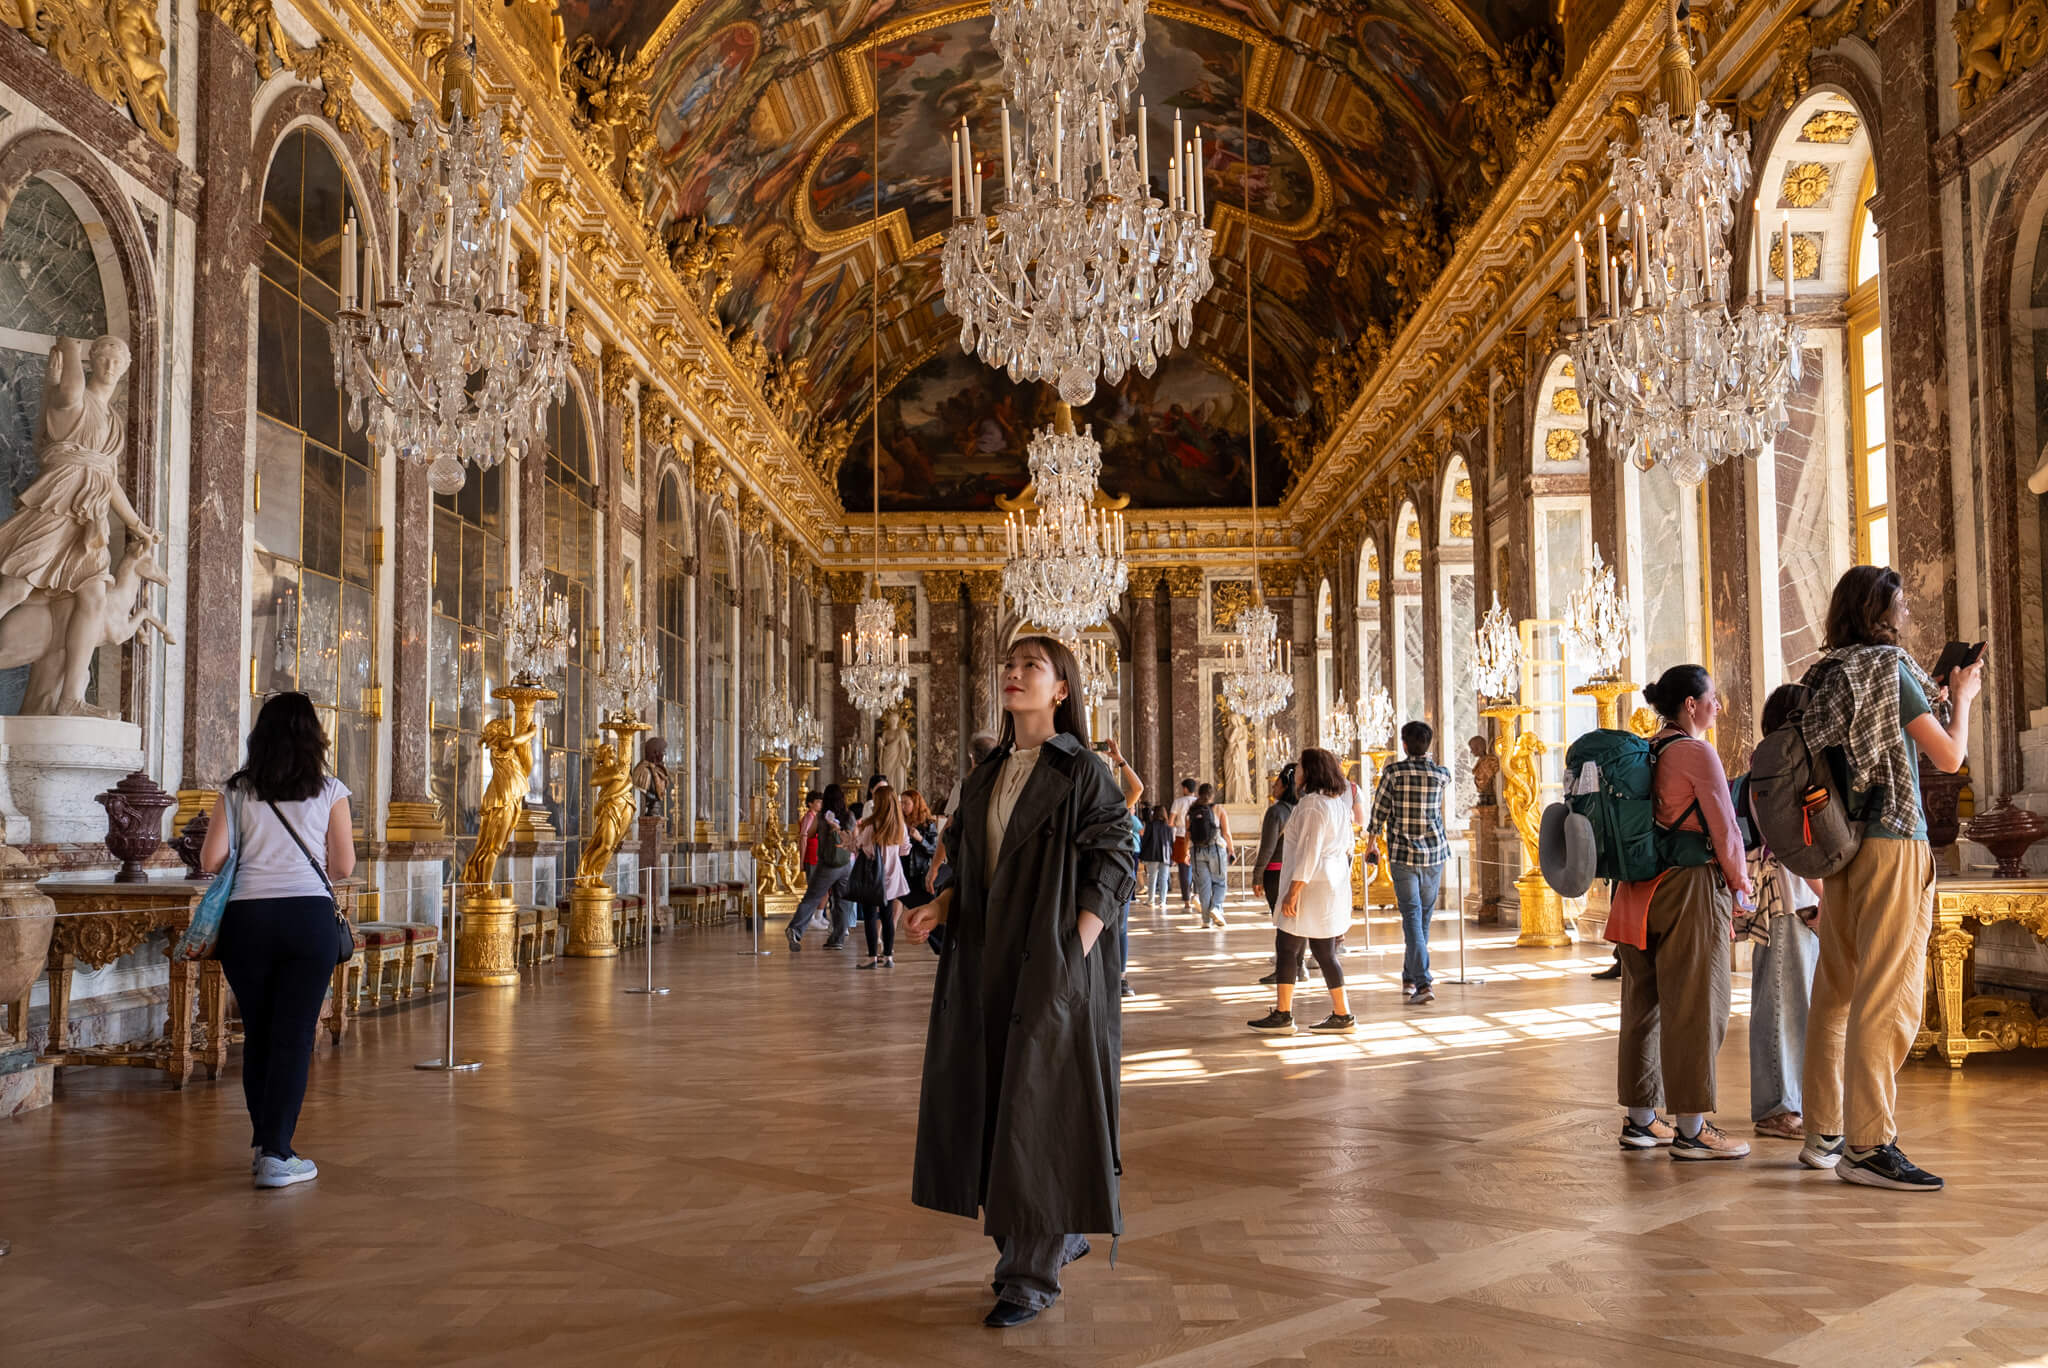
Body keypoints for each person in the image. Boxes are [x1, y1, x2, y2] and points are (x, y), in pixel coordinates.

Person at [902, 635, 1136, 1328]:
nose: (1013, 674)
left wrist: (1076, 947)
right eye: (1008, 664)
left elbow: (1117, 861)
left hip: (1051, 966)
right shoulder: (984, 776)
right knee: (992, 1106)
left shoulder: (1084, 772)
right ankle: (1052, 1237)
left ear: (1061, 688)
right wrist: (937, 906)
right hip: (982, 963)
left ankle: (1028, 1276)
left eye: (1031, 666)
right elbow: (970, 869)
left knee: (1037, 1112)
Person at [1799, 566, 1980, 1190]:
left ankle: (1823, 1130)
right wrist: (1965, 699)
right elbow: (1950, 758)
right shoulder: (1887, 669)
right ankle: (1870, 1144)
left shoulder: (1823, 673)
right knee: (1889, 992)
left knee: (1837, 989)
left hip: (1840, 846)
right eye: (1901, 600)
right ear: (1880, 609)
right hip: (1893, 841)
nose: (1908, 609)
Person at [196, 691, 355, 1190]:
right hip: (308, 919)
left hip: (248, 921)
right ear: (314, 737)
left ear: (260, 736)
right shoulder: (330, 789)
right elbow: (344, 866)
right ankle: (276, 1153)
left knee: (261, 1034)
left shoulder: (237, 790)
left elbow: (210, 860)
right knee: (293, 1035)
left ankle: (267, 1145)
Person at [1608, 665, 1755, 1160]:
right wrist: (1741, 884)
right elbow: (1725, 829)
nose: (1718, 705)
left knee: (1641, 1009)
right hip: (1688, 889)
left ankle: (1641, 1120)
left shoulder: (1642, 752)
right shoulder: (1696, 752)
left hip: (1633, 894)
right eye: (1713, 697)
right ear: (1690, 705)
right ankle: (1693, 1129)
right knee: (1696, 1006)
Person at [1747, 684, 1823, 1143]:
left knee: (1794, 1002)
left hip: (1797, 894)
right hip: (1786, 895)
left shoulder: (1774, 762)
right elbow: (1792, 843)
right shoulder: (1776, 766)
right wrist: (1826, 898)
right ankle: (1776, 1107)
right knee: (1780, 1002)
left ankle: (1790, 1099)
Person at [1247, 748, 1357, 1034]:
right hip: (1329, 884)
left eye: (1300, 768)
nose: (1296, 774)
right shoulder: (1338, 804)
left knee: (1287, 947)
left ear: (1312, 771)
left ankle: (1284, 1014)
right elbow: (1348, 849)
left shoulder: (1311, 805)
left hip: (1309, 887)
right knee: (1324, 951)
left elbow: (1309, 852)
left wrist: (1294, 891)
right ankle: (1342, 1014)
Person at [1366, 721, 1452, 1005]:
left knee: (1413, 918)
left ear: (1404, 744)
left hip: (1403, 855)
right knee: (1421, 920)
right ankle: (1409, 977)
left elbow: (1379, 812)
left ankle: (1424, 983)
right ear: (1429, 744)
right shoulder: (1441, 775)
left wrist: (1371, 845)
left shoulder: (1393, 773)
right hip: (1434, 854)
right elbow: (1444, 775)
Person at [1254, 763, 1307, 986]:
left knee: (1283, 924)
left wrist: (1257, 875)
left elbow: (1267, 847)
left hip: (1276, 871)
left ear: (1285, 786)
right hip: (1299, 871)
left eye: (1276, 784)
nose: (1273, 788)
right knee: (1298, 920)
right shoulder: (1304, 809)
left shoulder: (1276, 811)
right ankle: (1299, 966)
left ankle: (1284, 970)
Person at [784, 784, 854, 952]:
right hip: (846, 864)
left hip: (827, 865)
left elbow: (809, 832)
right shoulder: (849, 815)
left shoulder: (823, 817)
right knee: (842, 902)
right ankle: (837, 938)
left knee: (812, 898)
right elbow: (853, 838)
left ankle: (795, 929)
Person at [853, 779, 911, 969]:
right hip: (893, 875)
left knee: (870, 916)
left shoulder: (872, 825)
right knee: (888, 917)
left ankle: (872, 957)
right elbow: (905, 850)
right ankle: (888, 956)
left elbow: (863, 848)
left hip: (873, 875)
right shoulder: (900, 825)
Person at [1186, 782, 1233, 928]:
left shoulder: (1192, 810)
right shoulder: (1218, 809)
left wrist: (1185, 852)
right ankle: (1216, 908)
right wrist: (1231, 850)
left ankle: (1206, 921)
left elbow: (1187, 834)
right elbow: (1226, 833)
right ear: (1212, 795)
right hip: (1216, 849)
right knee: (1219, 882)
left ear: (1199, 794)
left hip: (1196, 851)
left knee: (1203, 886)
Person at [899, 788, 939, 913]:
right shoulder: (899, 822)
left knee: (924, 906)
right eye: (901, 802)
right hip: (902, 870)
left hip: (919, 872)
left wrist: (920, 839)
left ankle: (932, 931)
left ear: (915, 804)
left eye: (906, 803)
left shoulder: (927, 823)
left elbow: (934, 850)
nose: (902, 806)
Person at [1168, 778, 1197, 910]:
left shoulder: (1178, 802)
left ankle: (1187, 901)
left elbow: (1170, 822)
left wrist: (1178, 826)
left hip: (1181, 836)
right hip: (1197, 837)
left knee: (1184, 871)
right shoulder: (1198, 802)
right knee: (1198, 868)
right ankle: (1197, 896)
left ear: (1185, 788)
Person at [1138, 804, 1172, 908]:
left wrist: (1142, 854)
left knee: (1152, 878)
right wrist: (1171, 856)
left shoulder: (1150, 825)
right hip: (1165, 856)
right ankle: (1162, 901)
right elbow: (1170, 843)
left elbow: (1145, 841)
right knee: (1163, 878)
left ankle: (1151, 900)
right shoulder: (1168, 827)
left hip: (1152, 855)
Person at [797, 790, 824, 874]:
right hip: (811, 856)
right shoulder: (809, 817)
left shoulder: (816, 817)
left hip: (816, 856)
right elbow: (803, 839)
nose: (821, 804)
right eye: (818, 802)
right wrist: (801, 861)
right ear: (810, 803)